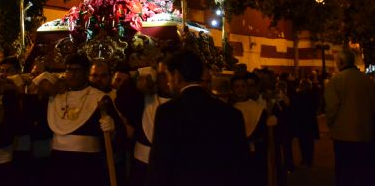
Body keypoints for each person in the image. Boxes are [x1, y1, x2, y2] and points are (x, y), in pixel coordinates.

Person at [146, 51, 248, 186]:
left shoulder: (168, 112)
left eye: (168, 76)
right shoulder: (231, 114)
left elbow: (160, 165)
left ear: (176, 76)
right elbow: (241, 164)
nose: (169, 82)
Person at [45, 54, 124, 186]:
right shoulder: (57, 95)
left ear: (86, 73)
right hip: (59, 163)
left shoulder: (99, 98)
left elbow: (120, 135)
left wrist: (113, 127)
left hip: (87, 164)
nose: (71, 74)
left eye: (76, 70)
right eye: (69, 70)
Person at [324, 49, 375, 186]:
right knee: (366, 174)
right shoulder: (368, 81)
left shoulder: (335, 82)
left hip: (344, 136)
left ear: (341, 62)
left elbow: (332, 109)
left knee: (345, 175)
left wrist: (331, 125)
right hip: (366, 134)